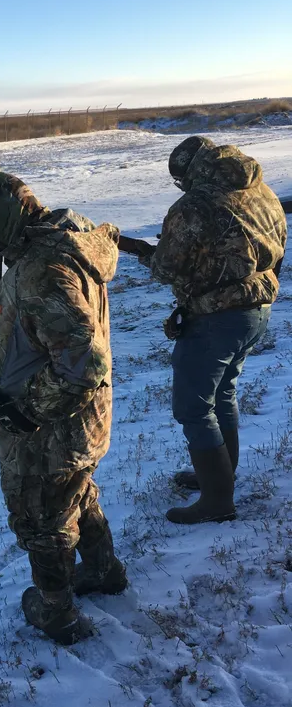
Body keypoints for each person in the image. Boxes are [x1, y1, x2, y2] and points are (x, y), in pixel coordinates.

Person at [0, 171, 127, 646]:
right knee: (76, 493)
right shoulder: (66, 240)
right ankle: (104, 569)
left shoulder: (43, 268)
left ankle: (56, 612)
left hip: (49, 431)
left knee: (45, 519)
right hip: (81, 422)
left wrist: (28, 409)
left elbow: (83, 363)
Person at [140, 135, 287, 524]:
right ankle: (220, 475)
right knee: (222, 393)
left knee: (193, 406)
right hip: (258, 309)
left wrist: (150, 253)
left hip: (216, 317)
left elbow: (167, 268)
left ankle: (218, 501)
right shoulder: (261, 189)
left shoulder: (193, 205)